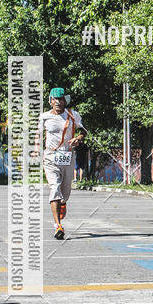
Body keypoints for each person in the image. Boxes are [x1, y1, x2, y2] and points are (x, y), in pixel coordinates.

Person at [34, 87, 87, 239]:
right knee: (54, 187)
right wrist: (37, 149)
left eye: (60, 99)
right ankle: (58, 225)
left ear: (65, 100)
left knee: (65, 191)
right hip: (50, 156)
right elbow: (38, 133)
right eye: (54, 99)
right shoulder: (44, 117)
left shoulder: (72, 115)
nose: (58, 102)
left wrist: (78, 138)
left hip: (67, 156)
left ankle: (63, 203)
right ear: (50, 101)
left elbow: (84, 131)